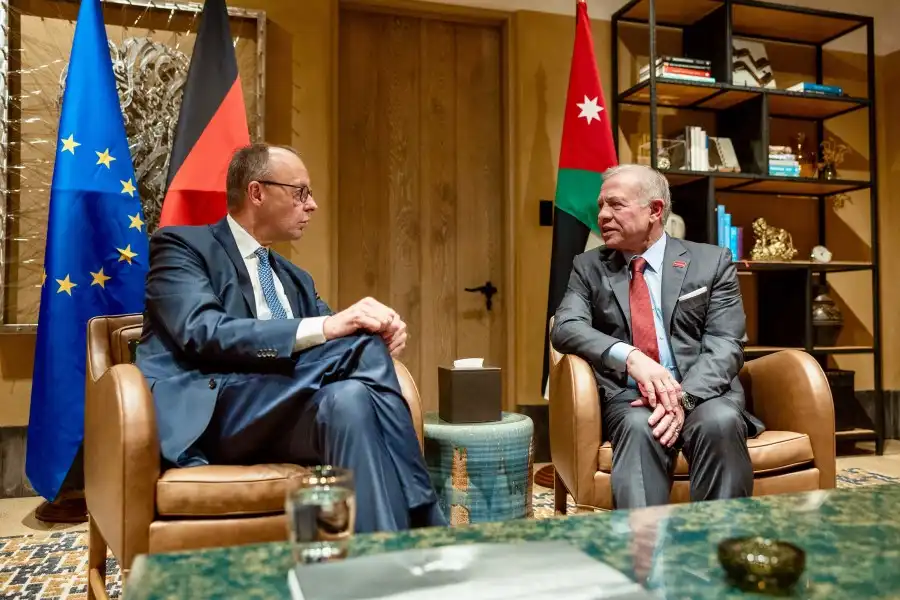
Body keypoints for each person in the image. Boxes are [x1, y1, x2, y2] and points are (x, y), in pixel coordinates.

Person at [135, 142, 447, 532]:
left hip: (287, 413)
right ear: (257, 192)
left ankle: (376, 557)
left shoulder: (295, 278)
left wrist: (375, 336)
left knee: (349, 399)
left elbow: (339, 348)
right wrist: (340, 333)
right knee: (360, 350)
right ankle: (425, 511)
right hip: (216, 414)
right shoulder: (182, 247)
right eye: (300, 192)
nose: (312, 205)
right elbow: (203, 332)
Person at [550, 164, 764, 509]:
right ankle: (643, 540)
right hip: (630, 397)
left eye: (616, 205)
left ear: (655, 210)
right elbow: (566, 326)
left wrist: (683, 398)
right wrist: (631, 357)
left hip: (703, 393)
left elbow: (727, 343)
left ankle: (721, 536)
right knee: (640, 428)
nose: (602, 215)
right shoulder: (589, 267)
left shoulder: (710, 261)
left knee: (720, 423)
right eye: (601, 205)